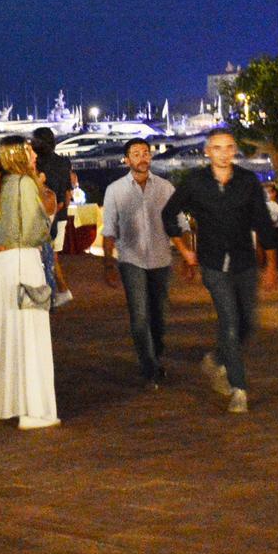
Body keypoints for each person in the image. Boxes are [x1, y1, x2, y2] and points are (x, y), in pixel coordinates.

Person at [161, 128, 277, 414]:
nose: (224, 153)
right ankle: (239, 388)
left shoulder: (248, 181)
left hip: (244, 262)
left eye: (229, 147)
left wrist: (272, 265)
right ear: (207, 151)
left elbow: (263, 223)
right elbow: (168, 213)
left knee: (247, 323)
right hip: (212, 264)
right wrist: (185, 250)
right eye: (218, 148)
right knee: (229, 321)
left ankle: (216, 359)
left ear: (234, 150)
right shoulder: (196, 182)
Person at [0, 136, 59, 430]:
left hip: (1, 265)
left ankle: (3, 403)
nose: (34, 156)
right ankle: (34, 409)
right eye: (28, 151)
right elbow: (36, 229)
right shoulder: (26, 184)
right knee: (30, 333)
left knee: (4, 333)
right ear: (18, 156)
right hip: (24, 261)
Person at [101, 139, 177, 389]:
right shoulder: (115, 190)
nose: (142, 158)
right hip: (131, 259)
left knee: (159, 316)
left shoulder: (165, 188)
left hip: (161, 258)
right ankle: (149, 368)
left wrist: (187, 255)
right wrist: (108, 263)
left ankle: (156, 354)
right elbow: (109, 229)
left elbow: (180, 224)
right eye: (136, 154)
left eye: (145, 153)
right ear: (127, 159)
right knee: (139, 315)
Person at [31, 128, 74, 308]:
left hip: (44, 212)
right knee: (51, 254)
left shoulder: (37, 165)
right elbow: (67, 191)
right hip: (61, 212)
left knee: (47, 255)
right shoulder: (64, 162)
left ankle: (57, 291)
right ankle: (58, 291)